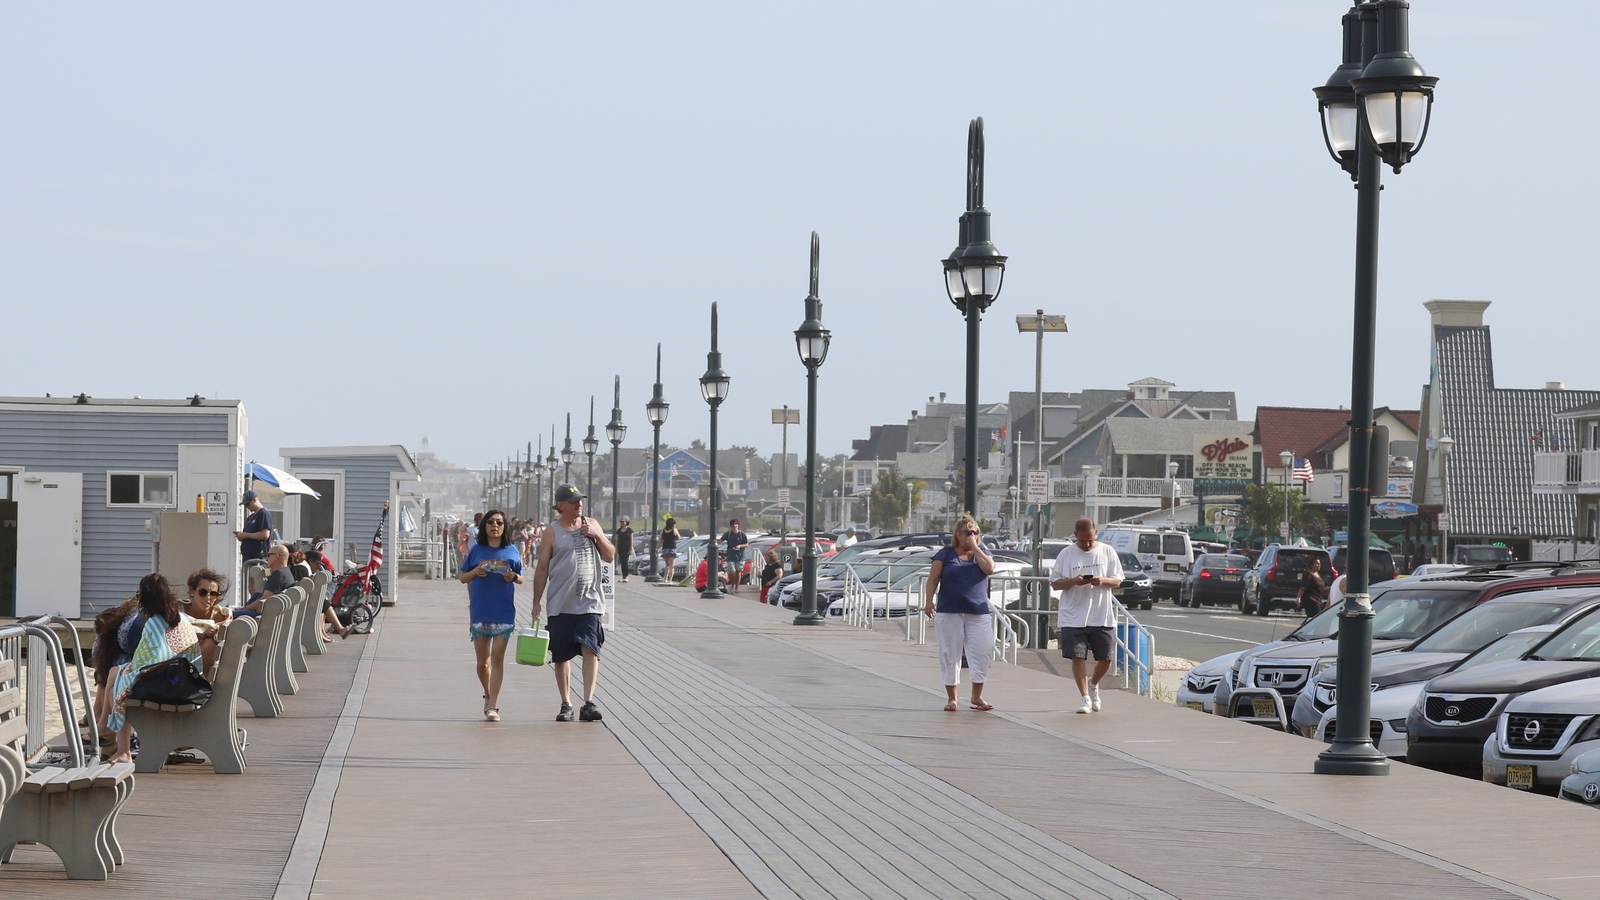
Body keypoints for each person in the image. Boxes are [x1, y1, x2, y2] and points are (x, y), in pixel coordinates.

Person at [532, 485, 615, 723]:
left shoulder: (592, 524)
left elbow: (609, 556)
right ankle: (566, 703)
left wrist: (597, 536)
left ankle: (588, 702)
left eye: (580, 500)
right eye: (573, 501)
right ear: (561, 505)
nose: (579, 504)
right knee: (561, 655)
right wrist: (536, 601)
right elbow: (542, 568)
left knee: (591, 650)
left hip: (590, 602)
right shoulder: (551, 532)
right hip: (560, 602)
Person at [107, 574, 202, 763]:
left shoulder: (154, 622)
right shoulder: (182, 618)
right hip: (189, 682)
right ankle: (109, 734)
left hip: (173, 687)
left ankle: (123, 750)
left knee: (116, 690)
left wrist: (124, 675)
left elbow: (143, 663)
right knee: (117, 676)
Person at [922, 515, 996, 712]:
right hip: (950, 611)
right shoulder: (945, 555)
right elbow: (932, 579)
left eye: (975, 533)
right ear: (958, 534)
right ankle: (952, 698)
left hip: (977, 612)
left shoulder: (983, 552)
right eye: (968, 533)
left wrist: (976, 548)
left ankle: (977, 696)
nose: (972, 536)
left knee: (982, 652)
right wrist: (929, 601)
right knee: (949, 654)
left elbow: (989, 569)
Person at [1050, 518, 1124, 714]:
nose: (1087, 544)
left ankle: (1093, 684)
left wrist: (1103, 580)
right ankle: (1084, 698)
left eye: (1090, 540)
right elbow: (1055, 583)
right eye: (1083, 541)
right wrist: (1075, 581)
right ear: (1075, 536)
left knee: (1106, 658)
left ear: (1095, 533)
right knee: (1077, 655)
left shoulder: (1107, 551)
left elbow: (1117, 581)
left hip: (1101, 614)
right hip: (1073, 614)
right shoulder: (1066, 554)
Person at [458, 509, 523, 722]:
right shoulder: (476, 551)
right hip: (480, 611)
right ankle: (487, 693)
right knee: (482, 663)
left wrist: (513, 576)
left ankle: (493, 705)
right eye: (491, 522)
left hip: (503, 612)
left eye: (500, 522)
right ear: (484, 526)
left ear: (505, 527)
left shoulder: (512, 551)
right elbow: (463, 578)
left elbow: (521, 578)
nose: (495, 525)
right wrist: (476, 572)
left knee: (497, 658)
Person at [179, 568, 231, 675]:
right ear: (192, 590)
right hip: (177, 663)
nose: (208, 598)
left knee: (210, 644)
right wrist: (201, 635)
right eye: (203, 592)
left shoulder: (223, 617)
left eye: (213, 594)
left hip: (208, 672)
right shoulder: (176, 611)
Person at [234, 490, 273, 563]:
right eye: (245, 505)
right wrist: (242, 536)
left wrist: (245, 535)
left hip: (258, 557)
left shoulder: (263, 514)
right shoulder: (251, 517)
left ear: (254, 500)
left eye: (247, 504)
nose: (246, 507)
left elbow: (265, 534)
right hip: (248, 557)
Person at [720, 519, 750, 595]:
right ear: (731, 526)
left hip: (740, 556)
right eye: (733, 525)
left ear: (738, 525)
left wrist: (740, 546)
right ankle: (732, 585)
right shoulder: (728, 534)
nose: (734, 526)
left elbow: (746, 544)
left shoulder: (742, 534)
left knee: (738, 572)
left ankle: (737, 587)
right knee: (732, 572)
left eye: (736, 524)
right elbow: (720, 540)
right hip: (730, 555)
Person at [660, 517, 681, 582]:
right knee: (672, 566)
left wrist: (656, 548)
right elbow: (678, 537)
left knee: (667, 565)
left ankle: (665, 579)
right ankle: (670, 580)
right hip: (672, 548)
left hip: (665, 548)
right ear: (672, 524)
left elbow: (660, 539)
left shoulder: (663, 530)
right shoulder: (674, 530)